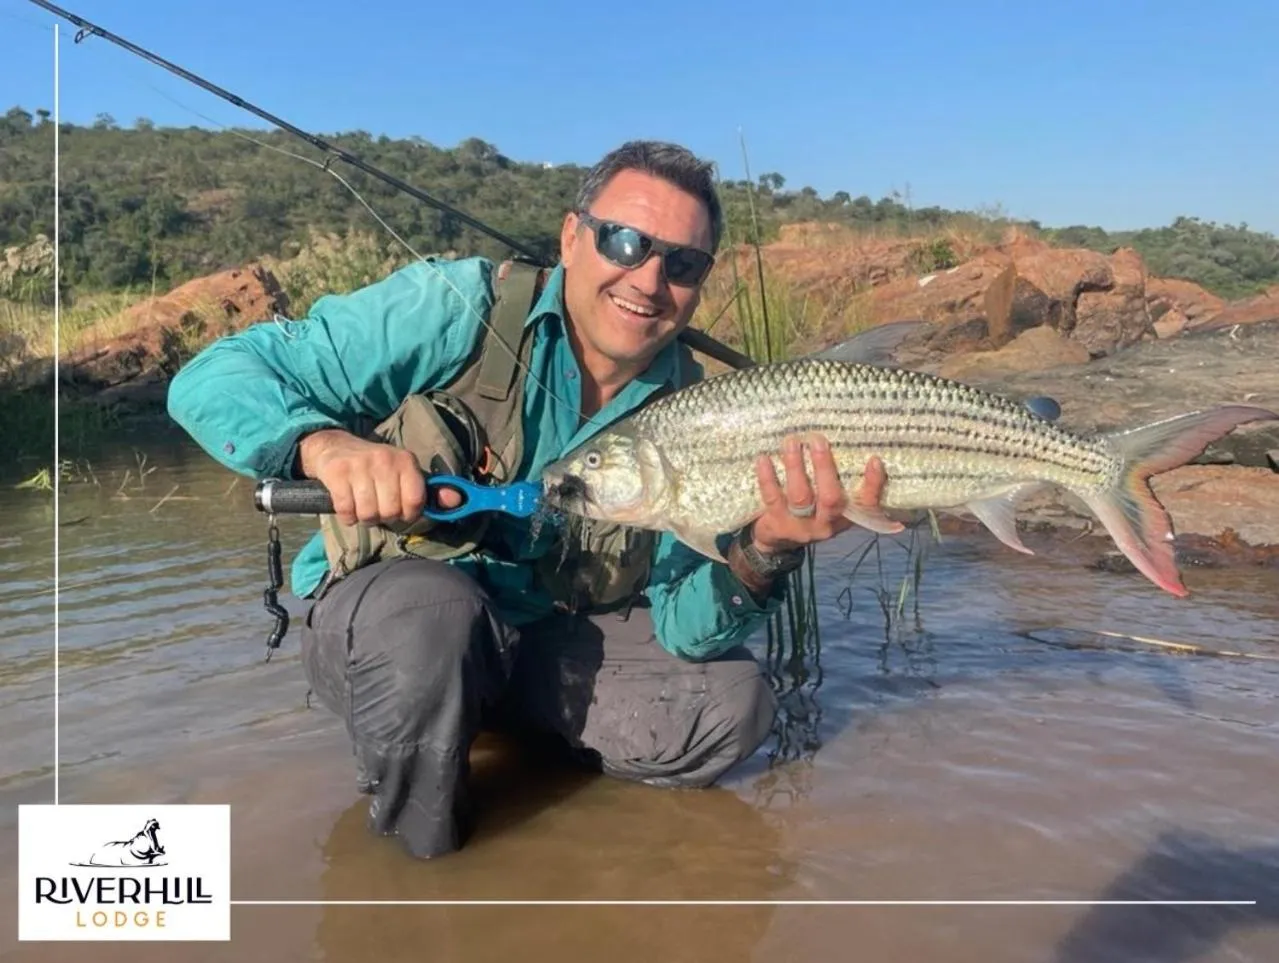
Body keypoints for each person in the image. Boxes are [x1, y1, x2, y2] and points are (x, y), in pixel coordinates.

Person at [166, 140, 887, 860]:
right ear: (572, 237)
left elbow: (685, 628)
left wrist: (767, 547)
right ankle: (423, 868)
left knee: (726, 707)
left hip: (547, 646)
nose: (648, 277)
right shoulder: (452, 305)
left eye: (682, 262)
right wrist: (322, 446)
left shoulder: (695, 408)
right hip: (403, 629)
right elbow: (214, 375)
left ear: (700, 282)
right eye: (626, 241)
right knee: (433, 623)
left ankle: (509, 754)